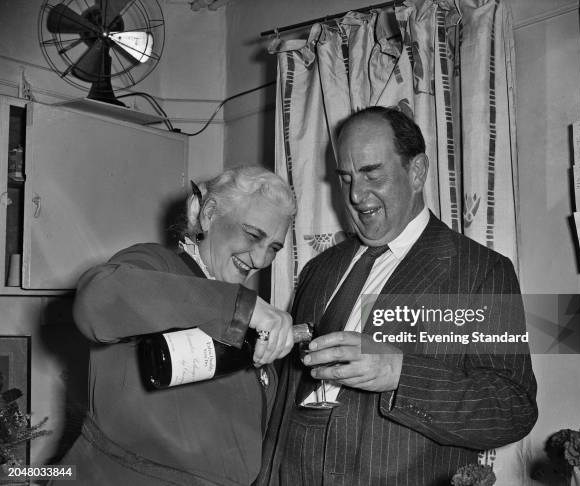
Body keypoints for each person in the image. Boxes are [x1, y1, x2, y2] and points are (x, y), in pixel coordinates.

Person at [257, 107, 538, 485]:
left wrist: (401, 373)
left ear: (417, 172)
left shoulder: (481, 272)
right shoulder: (318, 270)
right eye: (346, 178)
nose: (356, 195)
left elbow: (511, 408)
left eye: (372, 173)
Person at [57, 166, 296, 486]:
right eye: (253, 235)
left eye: (274, 249)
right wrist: (241, 306)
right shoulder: (157, 266)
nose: (260, 259)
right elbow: (97, 301)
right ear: (209, 214)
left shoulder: (243, 312)